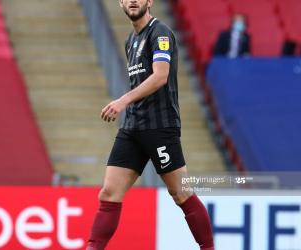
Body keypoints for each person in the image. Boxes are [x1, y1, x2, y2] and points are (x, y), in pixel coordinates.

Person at [85, 0, 214, 249]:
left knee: (182, 194)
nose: (133, 0)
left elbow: (160, 76)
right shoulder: (129, 41)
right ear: (121, 3)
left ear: (149, 1)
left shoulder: (160, 32)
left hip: (159, 128)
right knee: (109, 194)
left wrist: (123, 100)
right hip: (133, 127)